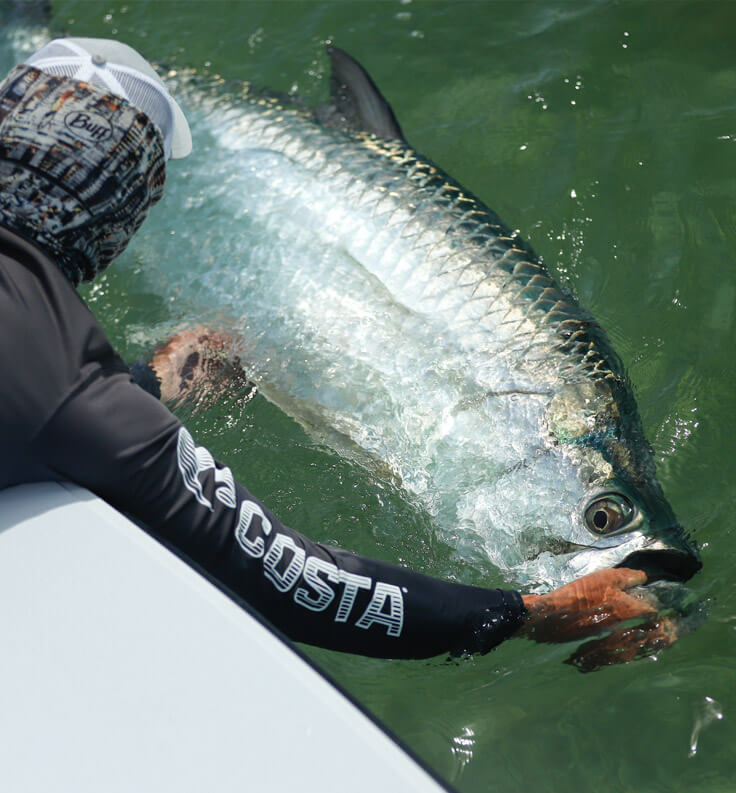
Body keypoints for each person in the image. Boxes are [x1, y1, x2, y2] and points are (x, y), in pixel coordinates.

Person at [0, 37, 667, 669]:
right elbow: (290, 579)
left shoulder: (63, 384)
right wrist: (526, 613)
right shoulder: (75, 403)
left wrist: (141, 384)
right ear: (121, 215)